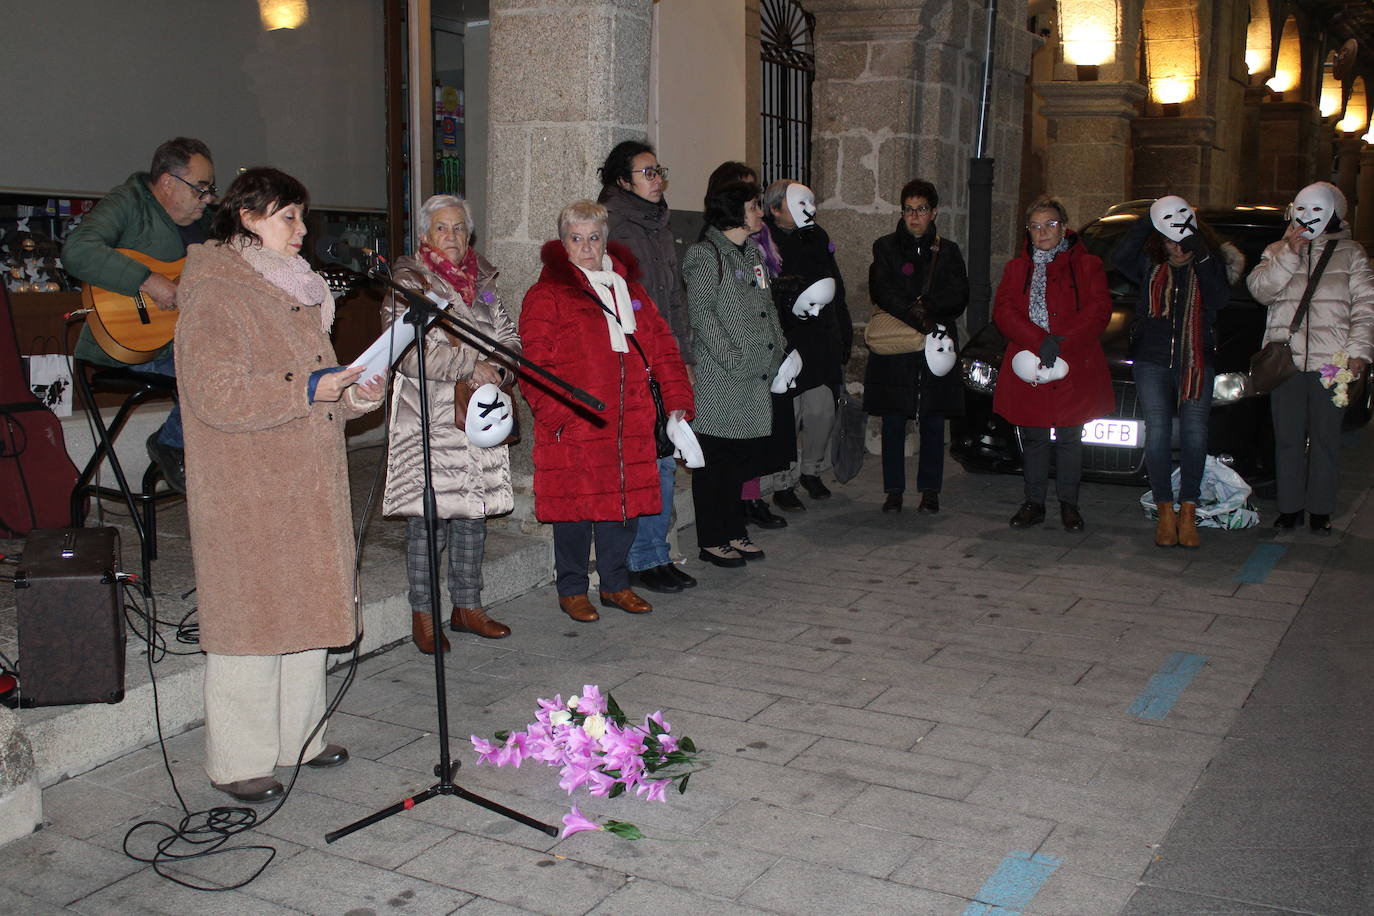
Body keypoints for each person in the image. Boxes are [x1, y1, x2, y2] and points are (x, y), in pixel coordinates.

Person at [175, 168, 384, 804]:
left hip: (303, 479)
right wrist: (308, 389)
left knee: (302, 613)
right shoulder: (216, 293)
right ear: (247, 218)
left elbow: (316, 386)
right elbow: (215, 394)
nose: (302, 230)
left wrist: (354, 394)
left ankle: (301, 739)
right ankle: (236, 758)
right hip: (247, 486)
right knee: (251, 621)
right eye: (288, 217)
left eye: (301, 217)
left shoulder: (297, 290)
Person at [520, 201, 693, 622]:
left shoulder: (630, 291)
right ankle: (573, 589)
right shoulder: (548, 294)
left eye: (593, 238)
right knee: (575, 512)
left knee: (623, 507)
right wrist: (561, 418)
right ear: (563, 244)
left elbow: (664, 350)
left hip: (630, 421)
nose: (586, 248)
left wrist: (677, 406)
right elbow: (533, 365)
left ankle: (616, 585)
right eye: (576, 239)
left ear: (605, 240)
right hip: (576, 425)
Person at [382, 194, 519, 652]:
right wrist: (471, 364)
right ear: (425, 236)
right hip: (429, 417)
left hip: (476, 415)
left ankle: (467, 606)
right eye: (443, 228)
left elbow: (508, 335)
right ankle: (424, 614)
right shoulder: (409, 282)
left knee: (472, 514)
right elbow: (407, 350)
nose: (453, 237)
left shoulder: (482, 281)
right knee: (428, 520)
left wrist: (500, 369)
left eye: (460, 228)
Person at [62, 137, 217, 493]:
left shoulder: (208, 223)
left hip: (184, 340)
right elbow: (78, 250)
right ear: (167, 182)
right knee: (210, 369)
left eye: (210, 190)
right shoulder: (128, 203)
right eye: (201, 189)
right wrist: (146, 280)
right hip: (131, 345)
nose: (207, 198)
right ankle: (171, 443)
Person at [597, 140, 697, 595]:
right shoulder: (613, 224)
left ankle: (655, 552)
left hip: (663, 353)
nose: (657, 179)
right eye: (647, 172)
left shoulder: (659, 223)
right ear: (623, 181)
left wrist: (681, 355)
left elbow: (674, 295)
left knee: (664, 456)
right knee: (646, 460)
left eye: (659, 170)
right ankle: (640, 557)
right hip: (633, 356)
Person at [1247, 181, 1374, 534]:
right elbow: (1260, 291)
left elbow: (1366, 307)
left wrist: (1358, 352)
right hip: (1286, 362)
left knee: (1325, 438)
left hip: (1331, 362)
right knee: (1287, 437)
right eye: (1300, 210)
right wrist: (1289, 252)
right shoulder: (1277, 249)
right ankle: (1289, 507)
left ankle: (1320, 509)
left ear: (1334, 213)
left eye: (1317, 210)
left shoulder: (1352, 254)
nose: (1307, 218)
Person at [1113, 197, 1232, 548]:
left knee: (1195, 432)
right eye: (1169, 240)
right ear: (1159, 240)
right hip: (1152, 359)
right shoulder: (1149, 267)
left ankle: (1188, 510)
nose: (1177, 248)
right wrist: (1147, 219)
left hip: (1196, 360)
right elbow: (1119, 259)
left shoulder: (1208, 265)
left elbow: (1219, 299)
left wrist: (1203, 253)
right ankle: (1165, 511)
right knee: (1159, 431)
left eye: (1183, 240)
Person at [684, 180, 789, 566]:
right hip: (723, 378)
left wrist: (779, 350)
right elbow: (702, 314)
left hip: (754, 376)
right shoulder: (706, 254)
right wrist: (733, 359)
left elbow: (767, 307)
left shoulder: (751, 255)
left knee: (739, 460)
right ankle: (712, 539)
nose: (760, 212)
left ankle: (734, 530)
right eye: (754, 205)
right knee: (716, 462)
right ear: (734, 210)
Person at [992, 196, 1113, 531]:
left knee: (1070, 437)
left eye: (1050, 224)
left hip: (1071, 362)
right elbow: (1004, 310)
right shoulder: (1017, 269)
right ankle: (1034, 502)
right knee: (1034, 436)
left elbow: (1098, 309)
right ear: (1027, 232)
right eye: (1035, 226)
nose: (1042, 232)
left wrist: (1061, 341)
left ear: (1064, 227)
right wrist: (1037, 340)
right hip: (1030, 362)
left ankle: (1069, 504)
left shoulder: (1088, 265)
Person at [863, 179, 968, 514]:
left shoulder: (948, 251)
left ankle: (930, 490)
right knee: (894, 418)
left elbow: (959, 293)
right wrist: (911, 312)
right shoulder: (885, 246)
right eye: (909, 209)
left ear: (933, 211)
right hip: (899, 343)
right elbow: (881, 287)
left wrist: (931, 307)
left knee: (933, 419)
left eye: (921, 209)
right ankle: (894, 490)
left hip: (935, 343)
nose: (914, 216)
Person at [763, 179, 853, 510]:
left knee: (821, 410)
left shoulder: (818, 237)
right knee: (789, 412)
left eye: (812, 202)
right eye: (801, 203)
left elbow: (836, 285)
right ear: (775, 209)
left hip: (819, 338)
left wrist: (843, 332)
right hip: (784, 338)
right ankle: (784, 482)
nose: (811, 209)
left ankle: (811, 471)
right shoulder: (763, 240)